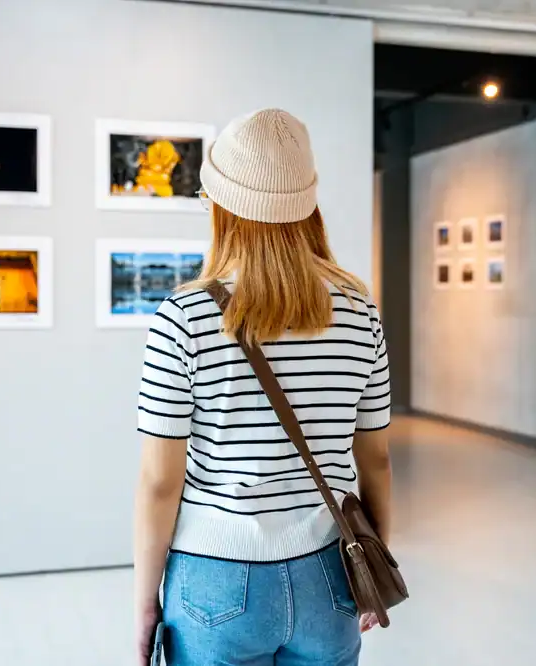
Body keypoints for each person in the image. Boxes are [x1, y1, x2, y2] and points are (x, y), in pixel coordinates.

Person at [133, 109, 393, 666]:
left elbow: (160, 483)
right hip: (330, 572)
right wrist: (376, 567)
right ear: (309, 207)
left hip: (214, 577)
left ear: (220, 208)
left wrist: (142, 608)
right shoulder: (359, 311)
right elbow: (377, 461)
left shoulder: (184, 317)